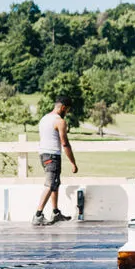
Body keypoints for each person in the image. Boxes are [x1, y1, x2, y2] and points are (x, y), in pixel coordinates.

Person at [32, 96, 78, 225]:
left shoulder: (44, 119)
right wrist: (73, 163)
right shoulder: (60, 121)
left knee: (55, 183)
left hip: (44, 155)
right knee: (51, 184)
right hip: (52, 156)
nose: (67, 113)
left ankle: (55, 212)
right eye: (67, 110)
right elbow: (65, 143)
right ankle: (38, 215)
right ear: (63, 107)